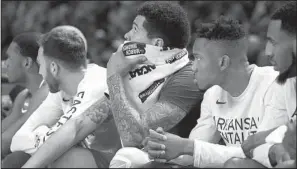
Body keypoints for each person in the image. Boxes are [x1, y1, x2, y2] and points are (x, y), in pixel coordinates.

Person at [145, 16, 289, 168]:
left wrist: (187, 146)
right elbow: (194, 152)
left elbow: (265, 154)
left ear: (223, 62)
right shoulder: (212, 95)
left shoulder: (274, 83)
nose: (192, 67)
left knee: (236, 166)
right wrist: (161, 148)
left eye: (198, 58)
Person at [2, 25, 121, 168]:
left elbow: (72, 131)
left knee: (63, 155)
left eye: (40, 65)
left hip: (119, 159)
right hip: (90, 158)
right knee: (18, 158)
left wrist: (43, 135)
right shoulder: (59, 91)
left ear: (53, 68)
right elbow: (17, 141)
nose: (40, 72)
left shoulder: (96, 82)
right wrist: (45, 133)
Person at [106, 1, 204, 167]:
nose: (127, 36)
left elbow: (134, 139)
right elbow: (79, 125)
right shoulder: (136, 73)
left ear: (157, 44)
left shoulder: (189, 76)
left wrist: (113, 76)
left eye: (135, 29)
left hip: (180, 162)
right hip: (149, 157)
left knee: (127, 157)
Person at [235, 2, 296, 168]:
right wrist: (274, 150)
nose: (268, 52)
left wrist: (264, 137)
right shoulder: (284, 81)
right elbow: (252, 146)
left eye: (275, 43)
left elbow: (258, 139)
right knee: (236, 165)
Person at [1, 32, 48, 158]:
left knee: (15, 159)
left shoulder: (47, 94)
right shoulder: (24, 96)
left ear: (27, 63)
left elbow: (5, 142)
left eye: (9, 58)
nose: (5, 64)